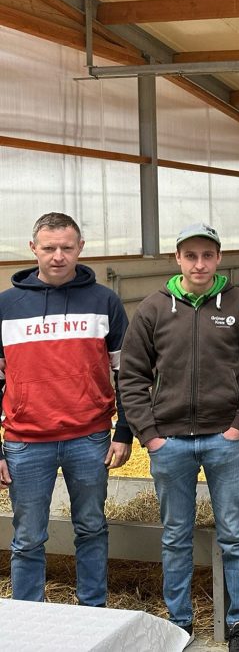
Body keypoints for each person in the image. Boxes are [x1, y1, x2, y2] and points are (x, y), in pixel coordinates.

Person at [120, 223, 239, 652]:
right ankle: (179, 621)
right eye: (191, 256)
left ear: (219, 258)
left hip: (225, 441)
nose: (199, 264)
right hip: (170, 443)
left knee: (234, 533)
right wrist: (149, 435)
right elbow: (131, 376)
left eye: (207, 255)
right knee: (175, 535)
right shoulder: (152, 308)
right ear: (178, 259)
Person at [0, 212, 132, 607]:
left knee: (91, 527)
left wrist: (124, 430)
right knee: (27, 538)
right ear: (33, 249)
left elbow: (125, 372)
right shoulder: (6, 305)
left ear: (80, 249)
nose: (58, 256)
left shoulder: (104, 300)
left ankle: (93, 608)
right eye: (49, 247)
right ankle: (28, 615)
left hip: (89, 437)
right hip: (25, 442)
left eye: (66, 247)